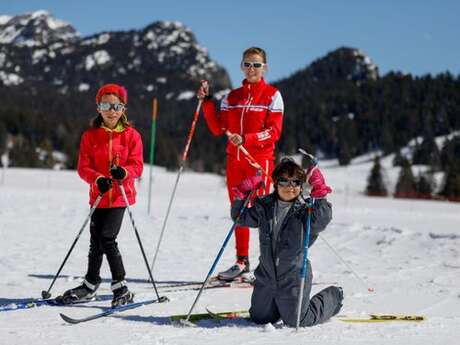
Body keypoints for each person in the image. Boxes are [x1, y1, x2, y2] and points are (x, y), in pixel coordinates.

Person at [197, 47, 284, 281]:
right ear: (241, 66)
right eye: (247, 64)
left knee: (264, 212)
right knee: (239, 213)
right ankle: (241, 261)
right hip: (235, 163)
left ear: (265, 67)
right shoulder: (231, 97)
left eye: (257, 64)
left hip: (259, 162)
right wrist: (206, 103)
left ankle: (268, 263)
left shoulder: (272, 95)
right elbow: (218, 128)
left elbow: (273, 132)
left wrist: (248, 139)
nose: (252, 69)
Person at [230, 158, 343, 327]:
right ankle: (279, 307)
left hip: (294, 277)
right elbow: (240, 218)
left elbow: (322, 219)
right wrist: (242, 191)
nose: (290, 187)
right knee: (259, 319)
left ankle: (335, 296)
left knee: (298, 320)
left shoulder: (306, 210)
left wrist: (320, 193)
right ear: (275, 183)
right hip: (266, 276)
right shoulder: (264, 206)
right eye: (284, 181)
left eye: (296, 182)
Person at [60, 83, 143, 308]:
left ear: (123, 109)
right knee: (95, 242)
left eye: (116, 105)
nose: (111, 110)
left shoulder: (131, 136)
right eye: (106, 104)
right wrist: (97, 179)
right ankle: (90, 283)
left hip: (119, 196)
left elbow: (137, 166)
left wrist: (123, 172)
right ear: (99, 108)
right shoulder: (90, 136)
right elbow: (83, 167)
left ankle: (120, 286)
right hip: (98, 195)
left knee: (107, 238)